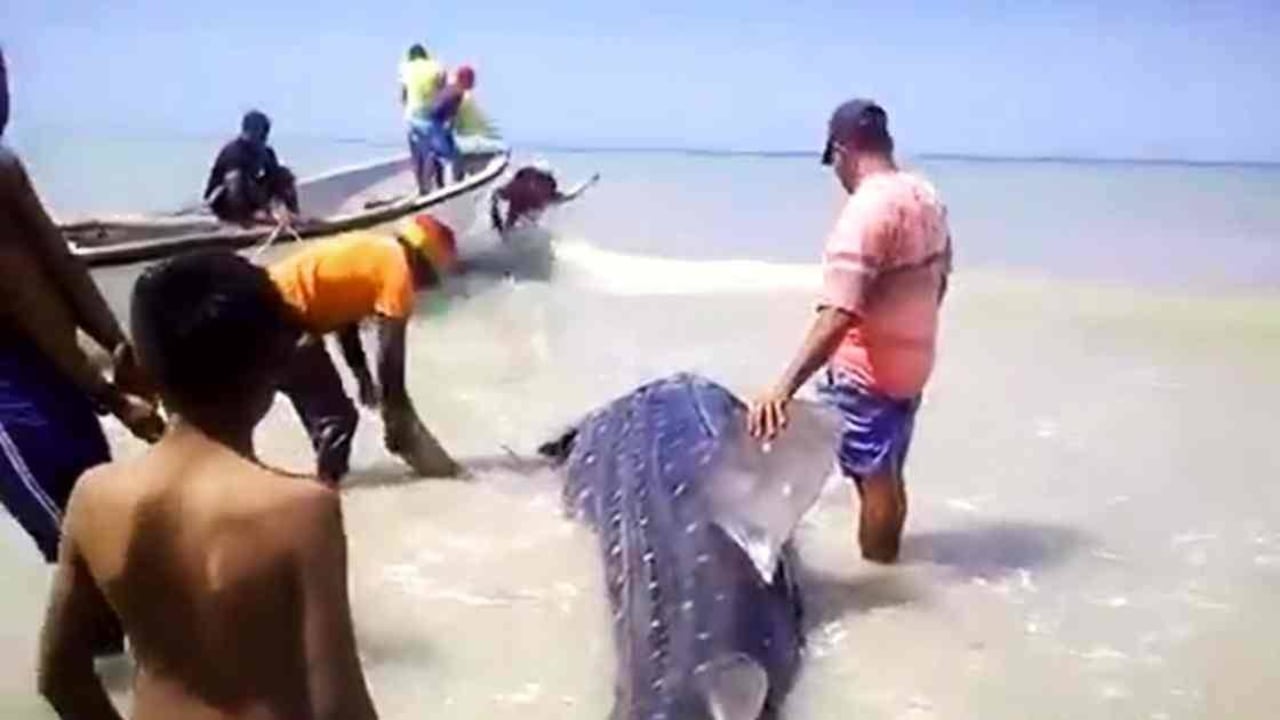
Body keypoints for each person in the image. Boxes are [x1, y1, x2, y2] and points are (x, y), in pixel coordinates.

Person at [38, 250, 379, 720]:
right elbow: (338, 708)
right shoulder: (302, 510)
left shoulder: (94, 496)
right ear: (277, 363)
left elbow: (60, 676)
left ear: (135, 367)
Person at [747, 99, 952, 564]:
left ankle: (879, 572)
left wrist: (782, 387)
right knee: (886, 469)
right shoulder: (926, 196)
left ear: (842, 150)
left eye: (832, 160)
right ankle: (888, 560)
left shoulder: (866, 214)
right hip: (913, 365)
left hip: (868, 372)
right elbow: (941, 276)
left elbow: (839, 312)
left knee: (849, 468)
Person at [0, 46, 163, 576]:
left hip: (42, 361)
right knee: (87, 552)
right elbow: (21, 291)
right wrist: (112, 397)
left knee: (106, 527)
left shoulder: (5, 164)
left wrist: (121, 346)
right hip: (9, 389)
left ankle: (125, 656)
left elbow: (58, 263)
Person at [270, 213, 462, 484]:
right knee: (338, 420)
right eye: (432, 276)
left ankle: (320, 485)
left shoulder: (375, 252)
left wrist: (360, 374)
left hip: (263, 306)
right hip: (280, 319)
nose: (428, 286)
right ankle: (325, 498)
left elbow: (343, 318)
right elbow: (390, 357)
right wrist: (395, 414)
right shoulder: (399, 271)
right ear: (424, 261)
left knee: (315, 415)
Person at [203, 110, 300, 226]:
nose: (264, 136)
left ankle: (293, 214)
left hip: (250, 197)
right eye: (262, 132)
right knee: (236, 177)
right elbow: (234, 186)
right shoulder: (234, 151)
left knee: (283, 174)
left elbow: (275, 178)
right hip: (224, 202)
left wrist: (281, 204)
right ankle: (243, 218)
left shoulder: (266, 152)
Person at [411, 65, 477, 194]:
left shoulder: (450, 88)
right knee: (447, 156)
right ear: (466, 80)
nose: (473, 84)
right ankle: (447, 188)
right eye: (472, 80)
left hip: (426, 121)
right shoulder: (458, 92)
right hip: (433, 123)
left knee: (438, 153)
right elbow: (447, 114)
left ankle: (433, 186)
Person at [489, 163, 600, 234]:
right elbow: (570, 195)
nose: (532, 184)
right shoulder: (516, 187)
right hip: (516, 229)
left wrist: (588, 183)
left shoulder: (517, 186)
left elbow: (571, 195)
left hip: (520, 230)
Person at [399, 44, 446, 195]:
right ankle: (428, 186)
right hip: (431, 114)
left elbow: (404, 95)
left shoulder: (405, 67)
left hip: (412, 115)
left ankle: (421, 187)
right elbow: (442, 92)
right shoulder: (437, 67)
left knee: (416, 153)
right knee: (431, 152)